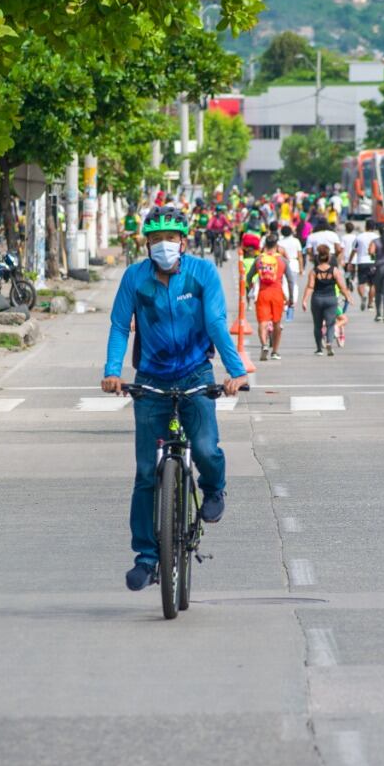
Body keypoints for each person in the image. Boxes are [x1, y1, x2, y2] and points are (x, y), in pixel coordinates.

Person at [101, 205, 247, 592]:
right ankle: (147, 558)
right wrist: (112, 371)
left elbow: (215, 322)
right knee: (145, 473)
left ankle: (213, 488)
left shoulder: (202, 273)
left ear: (183, 241)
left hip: (196, 373)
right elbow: (120, 325)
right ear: (146, 243)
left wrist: (235, 371)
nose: (163, 245)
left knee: (205, 448)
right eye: (155, 239)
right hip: (151, 379)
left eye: (170, 238)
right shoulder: (135, 278)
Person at [246, 233, 297, 361]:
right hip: (277, 294)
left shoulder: (259, 259)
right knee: (277, 323)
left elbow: (249, 276)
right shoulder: (282, 260)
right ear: (276, 246)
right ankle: (275, 351)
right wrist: (291, 298)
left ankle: (264, 344)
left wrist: (251, 286)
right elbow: (291, 280)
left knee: (262, 323)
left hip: (263, 294)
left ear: (265, 245)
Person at [301, 244, 352, 356]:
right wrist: (348, 296)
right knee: (330, 323)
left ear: (318, 258)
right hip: (331, 299)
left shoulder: (314, 271)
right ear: (329, 258)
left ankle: (319, 349)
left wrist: (304, 300)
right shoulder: (334, 271)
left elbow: (310, 287)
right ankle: (329, 342)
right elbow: (342, 286)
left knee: (317, 325)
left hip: (317, 299)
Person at [346, 220, 378, 313]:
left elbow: (354, 250)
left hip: (361, 262)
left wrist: (349, 262)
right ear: (374, 227)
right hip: (373, 262)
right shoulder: (376, 237)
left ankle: (363, 296)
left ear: (365, 226)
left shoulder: (359, 237)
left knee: (361, 283)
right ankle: (370, 303)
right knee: (373, 284)